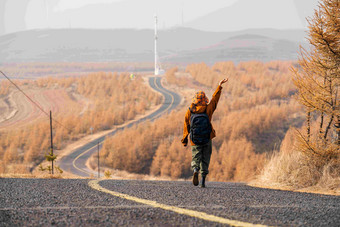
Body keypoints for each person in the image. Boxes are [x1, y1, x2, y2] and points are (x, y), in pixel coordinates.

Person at [181, 78, 228, 187]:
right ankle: (202, 180)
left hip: (194, 139)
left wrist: (184, 139)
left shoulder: (190, 111)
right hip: (207, 137)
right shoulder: (208, 109)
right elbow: (215, 100)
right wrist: (219, 86)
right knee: (205, 157)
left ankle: (195, 169)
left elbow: (186, 125)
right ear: (204, 100)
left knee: (196, 156)